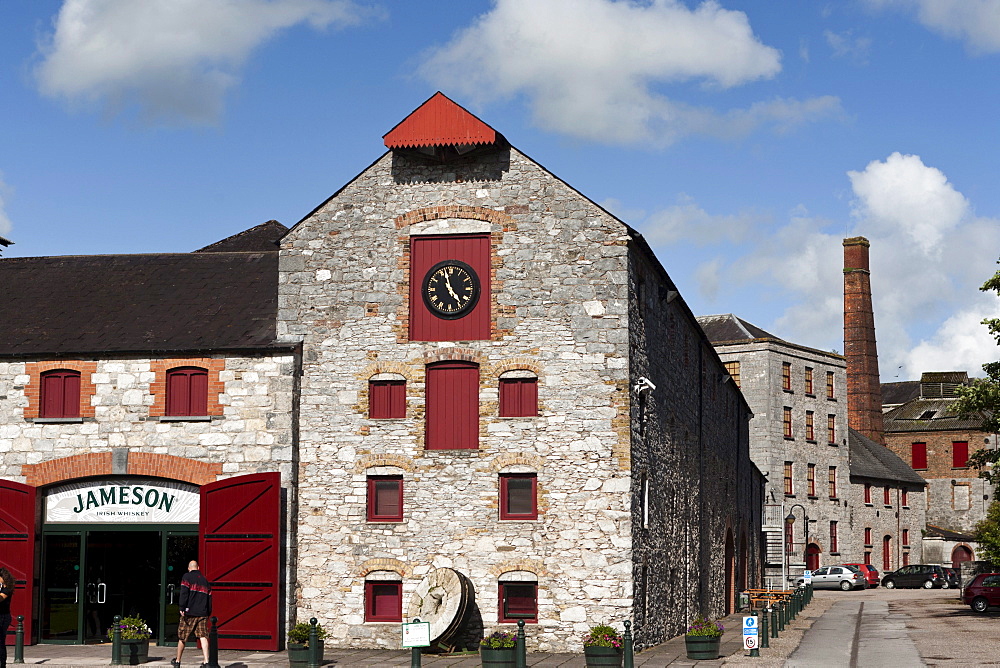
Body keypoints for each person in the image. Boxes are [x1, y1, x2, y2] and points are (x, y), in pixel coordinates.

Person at [172, 560, 212, 668]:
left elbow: (184, 593)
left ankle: (178, 661)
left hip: (189, 613)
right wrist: (208, 612)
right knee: (203, 636)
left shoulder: (187, 577)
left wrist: (182, 607)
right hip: (202, 613)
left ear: (189, 568)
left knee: (183, 637)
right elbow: (209, 599)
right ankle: (206, 661)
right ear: (198, 568)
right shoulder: (205, 581)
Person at [0, 567, 13, 668]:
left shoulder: (6, 589)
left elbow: (1, 598)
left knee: (0, 641)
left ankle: (2, 664)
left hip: (3, 617)